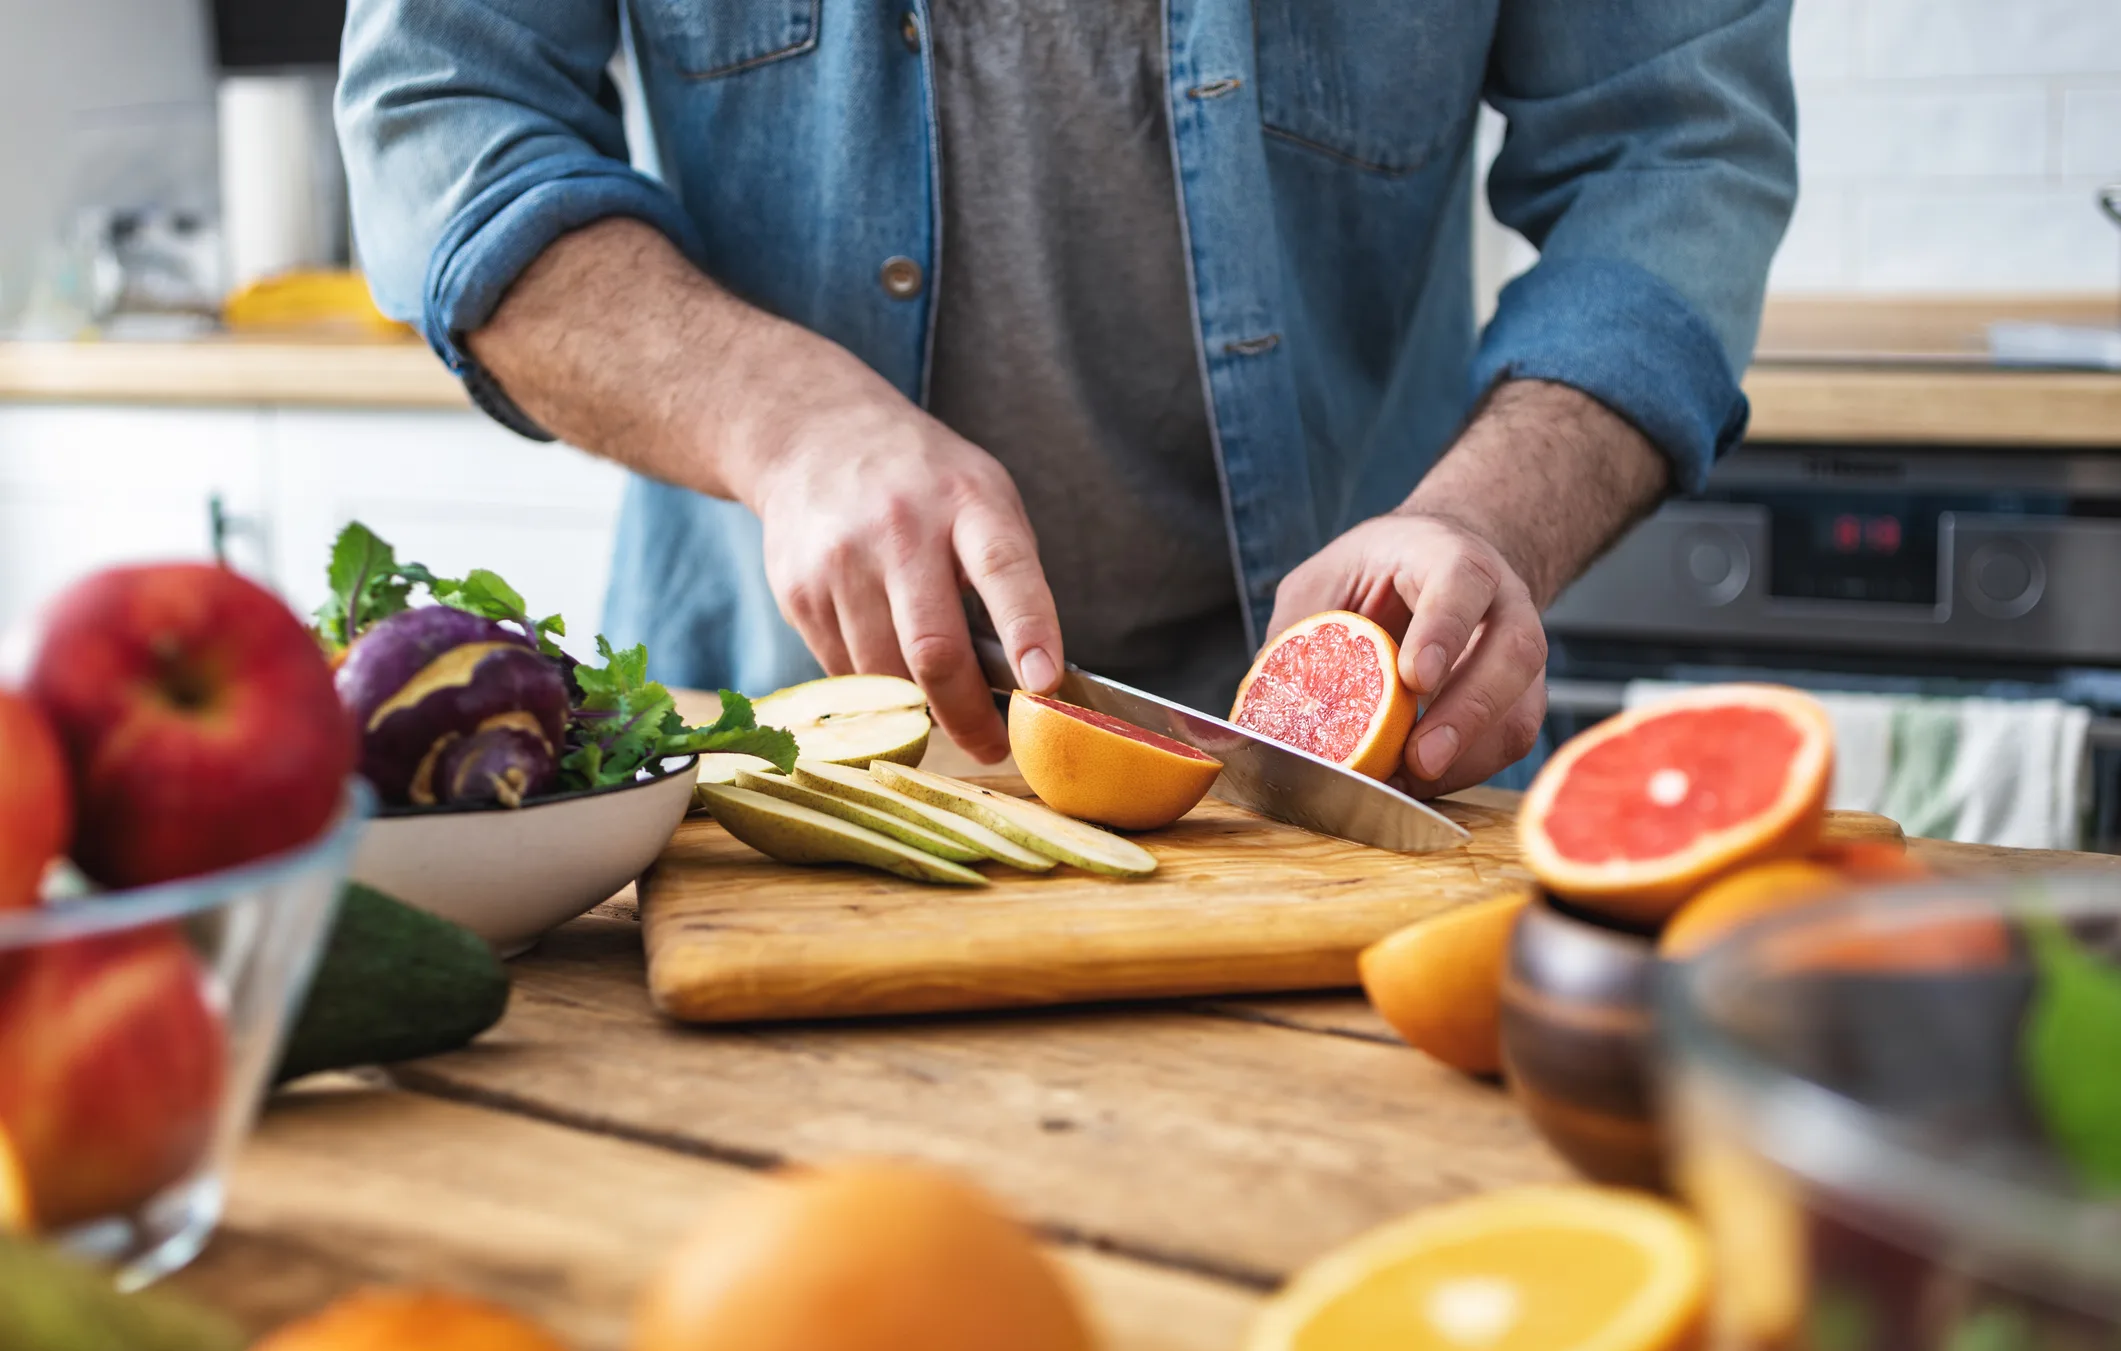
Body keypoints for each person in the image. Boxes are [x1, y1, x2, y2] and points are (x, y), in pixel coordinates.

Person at [336, 0, 1795, 796]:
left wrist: (1493, 518)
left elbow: (1674, 151)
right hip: (769, 766)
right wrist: (780, 418)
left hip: (1358, 780)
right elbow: (442, 117)